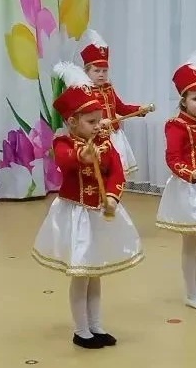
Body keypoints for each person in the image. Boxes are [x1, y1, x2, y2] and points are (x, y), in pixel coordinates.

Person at [32, 62, 144, 349]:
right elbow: (65, 160)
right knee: (82, 275)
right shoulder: (63, 142)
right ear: (72, 122)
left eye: (99, 121)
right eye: (91, 122)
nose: (98, 126)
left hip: (99, 214)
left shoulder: (104, 141)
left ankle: (96, 325)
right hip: (76, 216)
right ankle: (81, 331)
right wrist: (82, 155)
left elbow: (116, 171)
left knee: (96, 274)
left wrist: (113, 196)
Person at [80, 29, 150, 176]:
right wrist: (98, 123)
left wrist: (139, 109)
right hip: (95, 138)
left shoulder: (109, 89)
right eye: (97, 71)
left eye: (104, 71)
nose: (101, 74)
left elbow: (121, 108)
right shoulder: (83, 91)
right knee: (101, 173)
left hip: (115, 136)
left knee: (118, 174)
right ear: (87, 71)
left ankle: (117, 192)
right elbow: (81, 118)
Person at [157, 53, 196, 309]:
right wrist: (191, 174)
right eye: (195, 98)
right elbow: (172, 158)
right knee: (192, 243)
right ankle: (192, 292)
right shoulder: (176, 125)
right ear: (183, 100)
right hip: (189, 190)